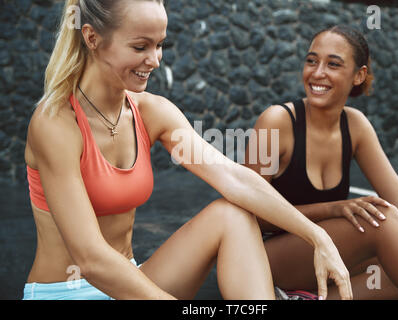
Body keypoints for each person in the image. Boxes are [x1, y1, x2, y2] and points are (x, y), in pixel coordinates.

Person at [22, 0, 354, 300]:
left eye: (159, 45)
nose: (154, 60)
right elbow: (90, 258)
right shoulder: (55, 124)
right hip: (66, 291)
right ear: (92, 38)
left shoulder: (150, 111)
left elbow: (232, 178)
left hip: (131, 281)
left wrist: (315, 236)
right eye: (140, 46)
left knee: (232, 213)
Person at [245, 25, 398, 300]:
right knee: (382, 219)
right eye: (311, 60)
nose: (317, 73)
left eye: (333, 64)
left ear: (358, 75)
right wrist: (333, 208)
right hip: (262, 257)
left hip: (318, 252)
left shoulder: (355, 126)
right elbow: (249, 215)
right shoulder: (277, 122)